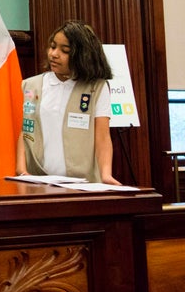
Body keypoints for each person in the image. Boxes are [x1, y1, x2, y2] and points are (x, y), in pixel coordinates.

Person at [16, 20, 121, 184]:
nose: (54, 54)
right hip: (39, 180)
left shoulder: (96, 88)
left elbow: (102, 138)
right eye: (52, 47)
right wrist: (21, 170)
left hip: (83, 183)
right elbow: (25, 131)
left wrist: (106, 174)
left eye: (64, 51)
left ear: (82, 56)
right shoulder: (31, 86)